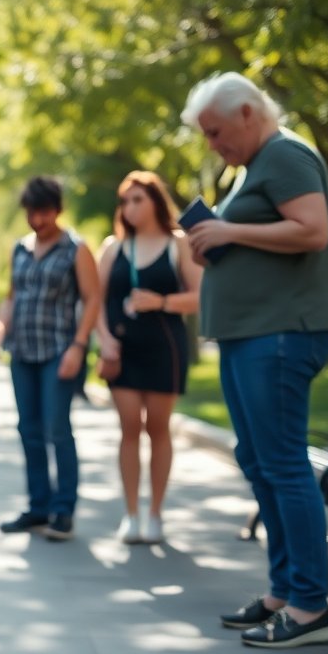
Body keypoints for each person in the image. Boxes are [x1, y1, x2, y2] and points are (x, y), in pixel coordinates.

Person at [182, 72, 328, 648]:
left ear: (248, 113)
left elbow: (313, 230)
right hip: (251, 335)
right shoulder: (259, 166)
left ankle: (309, 608)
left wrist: (228, 229)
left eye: (217, 131)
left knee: (282, 463)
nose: (213, 145)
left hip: (279, 335)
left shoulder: (286, 155)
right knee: (259, 459)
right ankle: (284, 590)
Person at [0, 176, 101, 541]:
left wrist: (79, 346)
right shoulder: (20, 249)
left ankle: (63, 510)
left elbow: (92, 299)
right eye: (32, 213)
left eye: (46, 212)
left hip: (59, 351)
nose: (38, 220)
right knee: (28, 429)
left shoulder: (75, 248)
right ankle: (38, 506)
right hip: (22, 352)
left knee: (56, 428)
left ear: (58, 209)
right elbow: (11, 296)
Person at [94, 172, 203, 545]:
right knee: (129, 428)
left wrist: (161, 302)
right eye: (125, 201)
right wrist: (104, 341)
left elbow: (200, 296)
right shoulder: (113, 247)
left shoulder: (179, 244)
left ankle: (155, 513)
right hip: (122, 352)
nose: (130, 207)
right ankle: (131, 514)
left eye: (138, 199)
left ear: (156, 201)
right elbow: (95, 301)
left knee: (158, 429)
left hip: (165, 349)